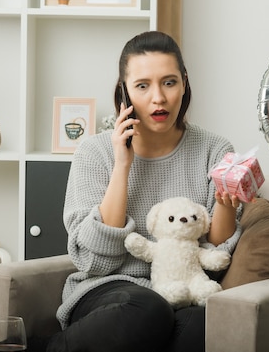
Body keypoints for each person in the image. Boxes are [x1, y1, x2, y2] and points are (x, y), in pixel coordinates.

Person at [45, 31, 242, 352]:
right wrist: (122, 164)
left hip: (183, 289)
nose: (158, 98)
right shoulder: (94, 152)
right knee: (148, 308)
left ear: (184, 84)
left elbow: (214, 253)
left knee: (204, 325)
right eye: (142, 86)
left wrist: (227, 205)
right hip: (110, 291)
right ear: (124, 92)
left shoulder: (214, 149)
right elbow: (94, 262)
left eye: (169, 82)